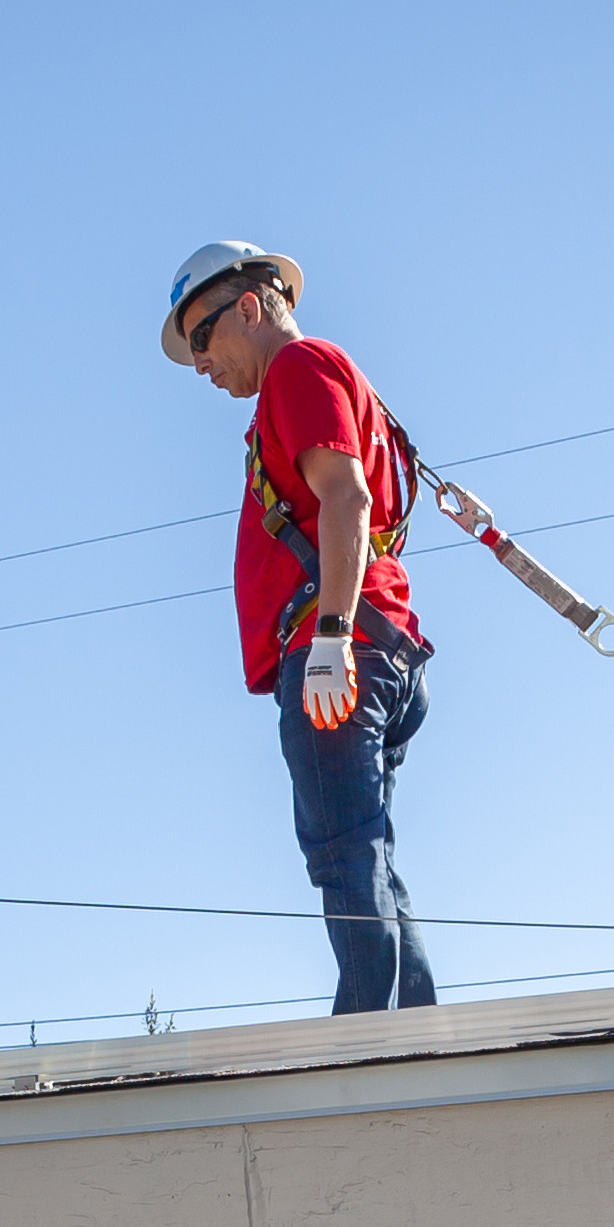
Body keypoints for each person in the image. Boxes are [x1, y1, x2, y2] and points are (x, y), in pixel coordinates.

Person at [159, 242, 440, 1014]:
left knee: (344, 856)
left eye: (201, 340)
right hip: (381, 641)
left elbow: (344, 502)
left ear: (248, 307)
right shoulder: (331, 377)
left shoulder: (296, 370)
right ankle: (413, 1032)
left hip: (339, 647)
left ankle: (364, 1040)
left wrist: (328, 639)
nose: (200, 365)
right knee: (367, 852)